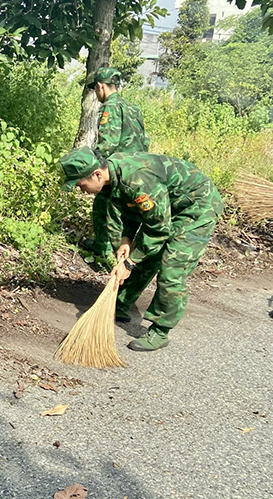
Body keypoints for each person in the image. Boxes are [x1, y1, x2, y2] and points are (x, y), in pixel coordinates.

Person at [60, 146, 223, 351]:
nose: (79, 189)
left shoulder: (137, 181)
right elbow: (127, 209)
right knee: (145, 253)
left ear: (97, 174)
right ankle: (120, 303)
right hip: (167, 206)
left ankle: (160, 331)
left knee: (172, 266)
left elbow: (159, 229)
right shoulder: (114, 174)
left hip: (197, 206)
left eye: (80, 183)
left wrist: (130, 262)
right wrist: (126, 240)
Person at [84, 67, 150, 262]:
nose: (97, 94)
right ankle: (125, 248)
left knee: (102, 207)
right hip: (138, 167)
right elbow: (144, 140)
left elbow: (108, 143)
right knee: (127, 210)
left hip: (117, 168)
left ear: (100, 86)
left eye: (96, 90)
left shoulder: (109, 107)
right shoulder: (132, 108)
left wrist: (94, 166)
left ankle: (103, 251)